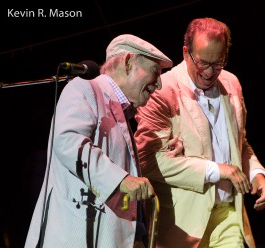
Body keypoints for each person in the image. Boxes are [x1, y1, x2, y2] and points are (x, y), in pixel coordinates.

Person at [24, 34, 174, 248]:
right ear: (128, 62)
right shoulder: (84, 88)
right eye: (155, 72)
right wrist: (122, 180)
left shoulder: (121, 113)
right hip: (75, 238)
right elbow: (68, 141)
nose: (159, 84)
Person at [134, 17, 265, 248]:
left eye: (218, 63)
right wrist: (216, 170)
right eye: (203, 63)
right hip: (183, 225)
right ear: (186, 53)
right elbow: (148, 160)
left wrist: (257, 174)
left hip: (229, 215)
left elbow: (241, 144)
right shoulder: (162, 90)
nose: (210, 72)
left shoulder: (232, 84)